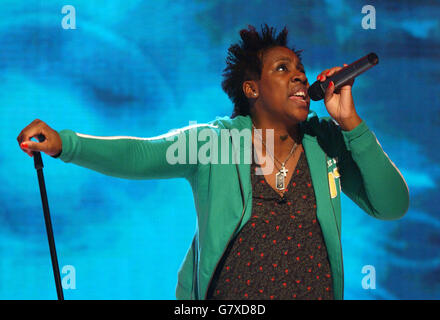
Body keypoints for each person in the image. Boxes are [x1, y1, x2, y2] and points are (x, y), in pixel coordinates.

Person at [16, 24, 409, 300]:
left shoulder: (325, 143)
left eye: (301, 72)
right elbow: (140, 154)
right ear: (252, 88)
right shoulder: (213, 143)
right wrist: (66, 145)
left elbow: (392, 205)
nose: (299, 79)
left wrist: (350, 123)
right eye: (283, 69)